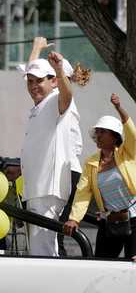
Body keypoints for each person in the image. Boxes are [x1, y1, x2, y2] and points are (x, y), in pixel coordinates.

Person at [18, 36, 91, 256]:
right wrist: (36, 49)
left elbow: (67, 96)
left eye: (39, 80)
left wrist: (58, 69)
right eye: (31, 81)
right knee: (44, 249)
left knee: (43, 252)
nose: (32, 86)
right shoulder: (42, 103)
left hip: (48, 188)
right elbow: (29, 76)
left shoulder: (56, 100)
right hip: (38, 188)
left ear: (55, 81)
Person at [63, 93, 136, 260]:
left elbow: (132, 133)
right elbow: (82, 193)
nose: (98, 135)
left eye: (103, 132)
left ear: (114, 136)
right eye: (97, 132)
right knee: (101, 263)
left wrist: (119, 108)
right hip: (109, 222)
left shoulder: (128, 153)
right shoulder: (91, 163)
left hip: (135, 219)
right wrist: (74, 219)